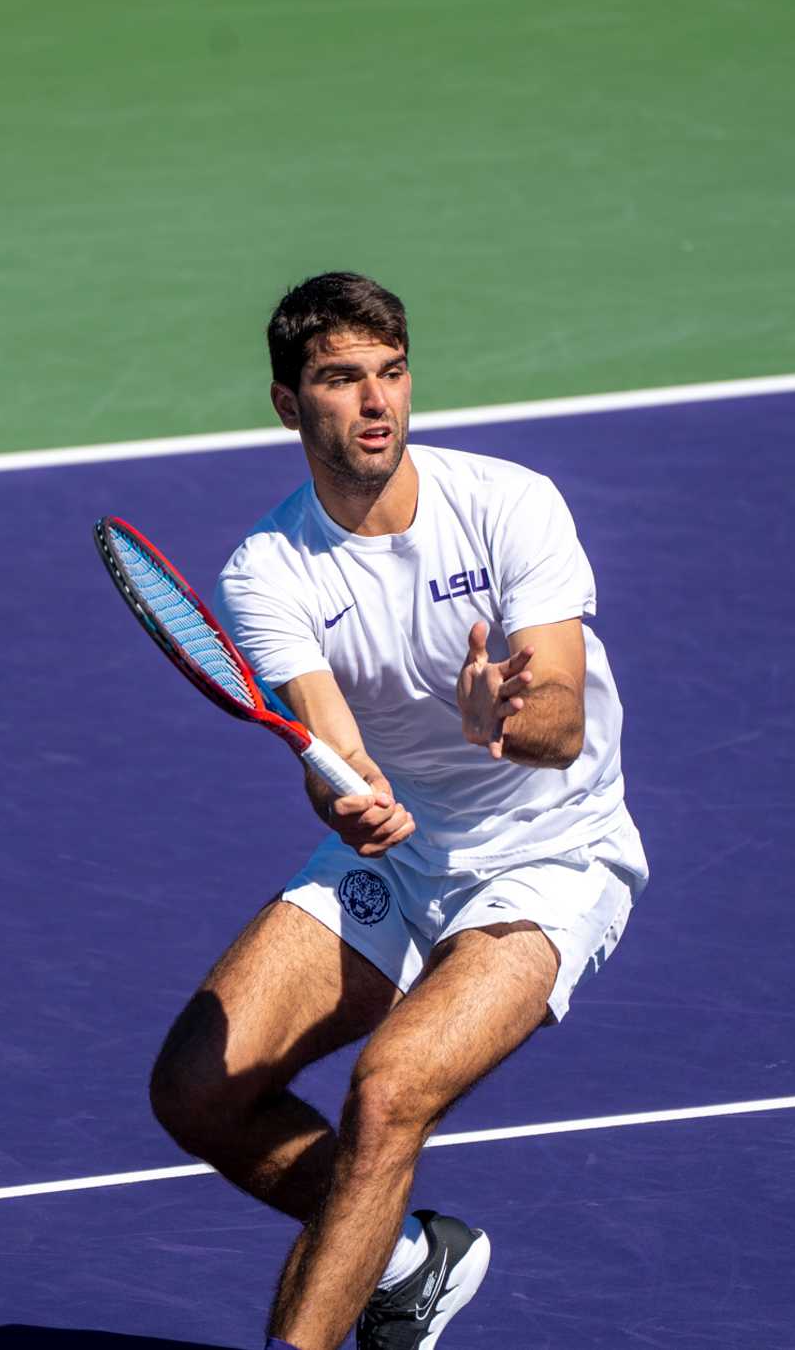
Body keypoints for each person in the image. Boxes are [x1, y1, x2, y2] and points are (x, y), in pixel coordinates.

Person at [147, 272, 647, 1350]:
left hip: (548, 859)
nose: (375, 401)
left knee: (387, 1094)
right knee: (196, 1090)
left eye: (391, 372)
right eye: (340, 379)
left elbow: (558, 722)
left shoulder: (512, 503)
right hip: (406, 858)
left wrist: (501, 715)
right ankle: (412, 1257)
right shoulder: (267, 570)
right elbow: (330, 753)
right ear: (289, 404)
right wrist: (350, 795)